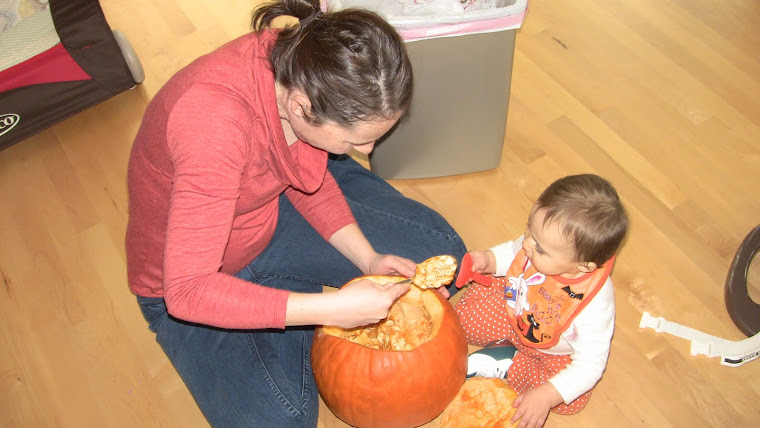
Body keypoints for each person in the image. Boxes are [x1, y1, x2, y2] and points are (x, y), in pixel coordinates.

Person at [124, 0, 466, 426]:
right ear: (301, 106)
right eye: (355, 139)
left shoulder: (302, 67)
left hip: (268, 213)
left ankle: (293, 289)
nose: (367, 152)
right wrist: (328, 310)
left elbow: (306, 176)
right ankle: (290, 298)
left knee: (445, 253)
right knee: (281, 420)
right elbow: (188, 292)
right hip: (192, 284)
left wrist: (369, 260)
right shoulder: (212, 124)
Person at [454, 174, 628, 428]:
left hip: (551, 352)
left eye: (540, 249)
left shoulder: (593, 306)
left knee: (571, 402)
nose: (526, 244)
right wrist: (489, 260)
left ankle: (507, 363)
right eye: (529, 230)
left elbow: (591, 363)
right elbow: (512, 253)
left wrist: (546, 395)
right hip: (513, 309)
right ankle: (507, 347)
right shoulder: (538, 243)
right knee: (463, 319)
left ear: (582, 267)